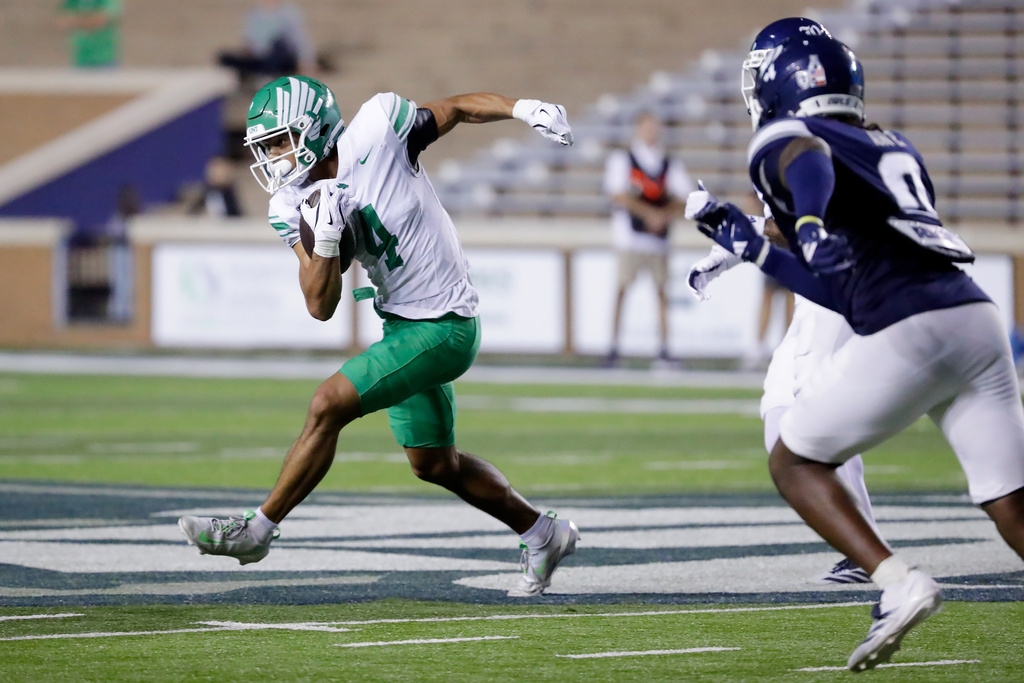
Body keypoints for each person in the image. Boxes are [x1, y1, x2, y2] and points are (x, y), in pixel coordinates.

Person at [691, 32, 1024, 670]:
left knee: (793, 460)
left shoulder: (783, 138)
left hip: (912, 323)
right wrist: (754, 247)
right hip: (976, 317)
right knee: (1009, 496)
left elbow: (804, 154)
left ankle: (893, 580)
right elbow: (838, 289)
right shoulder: (894, 144)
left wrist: (808, 225)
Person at [178, 76, 579, 598]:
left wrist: (522, 107)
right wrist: (322, 241)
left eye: (280, 141)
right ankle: (542, 532)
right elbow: (320, 306)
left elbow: (455, 107)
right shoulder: (290, 204)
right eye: (267, 146)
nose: (273, 156)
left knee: (328, 404)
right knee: (434, 463)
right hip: (402, 323)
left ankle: (257, 530)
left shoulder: (378, 131)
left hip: (446, 322)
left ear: (314, 129)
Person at [687, 18, 883, 586]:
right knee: (783, 412)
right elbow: (795, 221)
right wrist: (739, 242)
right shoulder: (836, 136)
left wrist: (743, 238)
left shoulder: (812, 142)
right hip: (834, 291)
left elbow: (812, 216)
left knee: (810, 415)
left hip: (848, 289)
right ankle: (863, 545)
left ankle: (871, 555)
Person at [603, 111, 692, 367]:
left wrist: (663, 215)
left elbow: (685, 195)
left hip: (659, 240)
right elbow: (617, 194)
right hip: (629, 238)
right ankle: (613, 347)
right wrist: (649, 214)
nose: (651, 132)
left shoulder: (668, 162)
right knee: (622, 289)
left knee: (661, 292)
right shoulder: (623, 159)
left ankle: (664, 348)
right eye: (647, 127)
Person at [217, 0, 317, 83]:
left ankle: (267, 76)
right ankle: (251, 75)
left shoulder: (289, 12)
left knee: (277, 44)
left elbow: (300, 39)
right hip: (260, 59)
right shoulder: (254, 14)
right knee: (225, 56)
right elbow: (249, 42)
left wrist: (306, 62)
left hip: (282, 57)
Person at [56, 0, 121, 69]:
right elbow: (61, 21)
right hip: (80, 58)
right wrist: (88, 21)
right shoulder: (73, 2)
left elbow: (101, 19)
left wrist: (75, 21)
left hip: (105, 58)